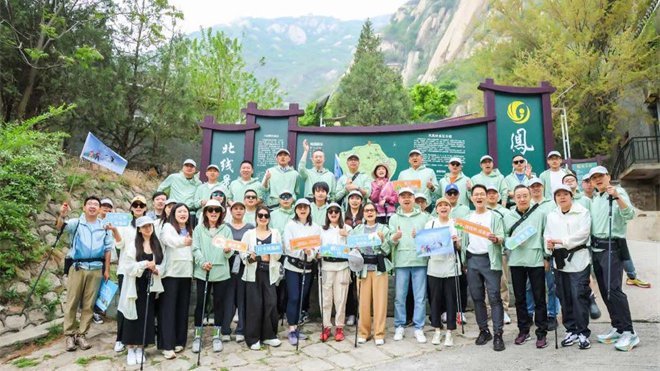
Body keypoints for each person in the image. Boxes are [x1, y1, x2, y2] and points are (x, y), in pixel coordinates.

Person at [588, 166, 640, 351]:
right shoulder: (596, 198)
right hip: (596, 249)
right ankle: (617, 327)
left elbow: (630, 214)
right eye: (594, 178)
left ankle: (629, 332)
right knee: (604, 290)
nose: (598, 180)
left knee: (614, 290)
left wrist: (617, 197)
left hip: (612, 248)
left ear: (608, 177)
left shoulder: (618, 193)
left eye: (600, 176)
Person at [56, 196, 115, 351]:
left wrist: (107, 270)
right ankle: (69, 335)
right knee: (72, 301)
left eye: (96, 204)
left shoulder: (104, 226)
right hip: (78, 266)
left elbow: (108, 249)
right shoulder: (76, 223)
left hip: (96, 267)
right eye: (90, 204)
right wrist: (62, 214)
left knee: (89, 304)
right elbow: (60, 227)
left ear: (99, 209)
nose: (93, 206)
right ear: (84, 207)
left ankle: (82, 334)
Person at [544, 185, 592, 350]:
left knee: (578, 296)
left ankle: (583, 332)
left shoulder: (582, 212)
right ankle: (571, 330)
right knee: (564, 297)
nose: (562, 197)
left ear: (571, 196)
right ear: (555, 198)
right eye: (558, 195)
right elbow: (547, 234)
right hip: (559, 262)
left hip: (579, 260)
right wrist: (548, 244)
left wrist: (560, 241)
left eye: (565, 194)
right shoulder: (552, 215)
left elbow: (583, 234)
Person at [503, 185, 549, 348]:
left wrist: (546, 257)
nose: (522, 199)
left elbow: (545, 235)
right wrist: (508, 242)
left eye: (524, 195)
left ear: (530, 196)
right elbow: (504, 238)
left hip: (535, 260)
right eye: (518, 196)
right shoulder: (508, 216)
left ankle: (542, 332)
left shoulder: (540, 214)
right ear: (514, 198)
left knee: (539, 298)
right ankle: (523, 330)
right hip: (516, 261)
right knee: (520, 298)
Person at [461, 184, 505, 351]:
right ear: (472, 198)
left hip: (490, 260)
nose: (479, 197)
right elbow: (462, 239)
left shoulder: (495, 216)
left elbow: (502, 237)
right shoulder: (467, 217)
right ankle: (483, 330)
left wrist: (496, 239)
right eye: (476, 194)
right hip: (472, 261)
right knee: (477, 297)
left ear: (487, 197)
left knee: (494, 297)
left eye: (482, 194)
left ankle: (498, 334)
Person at [117, 216, 164, 365]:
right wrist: (145, 264)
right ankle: (131, 348)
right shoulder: (133, 245)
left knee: (146, 316)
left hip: (150, 285)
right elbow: (128, 266)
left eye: (150, 226)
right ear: (139, 229)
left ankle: (141, 347)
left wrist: (157, 269)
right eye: (144, 226)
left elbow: (163, 263)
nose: (147, 229)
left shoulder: (157, 244)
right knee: (132, 316)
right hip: (135, 285)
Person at [190, 200, 234, 354]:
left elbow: (229, 253)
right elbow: (195, 248)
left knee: (219, 304)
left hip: (221, 272)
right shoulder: (198, 229)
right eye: (210, 210)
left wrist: (228, 250)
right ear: (205, 212)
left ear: (221, 213)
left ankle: (217, 336)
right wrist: (202, 262)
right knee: (201, 304)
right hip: (203, 271)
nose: (214, 213)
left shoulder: (226, 229)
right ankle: (197, 336)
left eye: (217, 210)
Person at [389, 187, 430, 343]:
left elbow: (431, 239)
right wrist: (395, 237)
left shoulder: (424, 217)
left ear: (414, 199)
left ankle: (419, 327)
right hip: (401, 261)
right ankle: (399, 325)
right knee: (400, 296)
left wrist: (419, 237)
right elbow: (389, 241)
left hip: (420, 260)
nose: (406, 199)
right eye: (403, 196)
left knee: (420, 297)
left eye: (409, 196)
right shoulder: (394, 218)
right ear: (399, 199)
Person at [241, 206, 283, 350]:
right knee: (254, 305)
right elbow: (243, 254)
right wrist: (252, 257)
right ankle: (253, 338)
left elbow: (279, 253)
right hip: (254, 273)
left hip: (269, 272)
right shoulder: (249, 234)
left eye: (266, 215)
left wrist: (270, 254)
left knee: (271, 302)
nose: (263, 218)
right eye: (260, 215)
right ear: (256, 217)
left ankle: (269, 335)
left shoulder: (275, 233)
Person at [283, 199, 322, 345]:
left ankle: (297, 326)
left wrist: (311, 253)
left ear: (309, 209)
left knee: (301, 298)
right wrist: (302, 251)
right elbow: (288, 246)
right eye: (299, 207)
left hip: (308, 266)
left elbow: (318, 245)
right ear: (295, 210)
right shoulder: (290, 225)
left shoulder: (316, 227)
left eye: (305, 207)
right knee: (293, 297)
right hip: (293, 266)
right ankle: (292, 329)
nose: (302, 210)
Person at [158, 203, 194, 359]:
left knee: (182, 309)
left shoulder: (191, 229)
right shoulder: (167, 227)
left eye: (185, 211)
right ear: (173, 213)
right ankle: (167, 345)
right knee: (168, 310)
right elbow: (169, 241)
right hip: (171, 274)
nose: (183, 214)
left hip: (186, 274)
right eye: (179, 211)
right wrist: (183, 242)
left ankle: (180, 341)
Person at [113, 196, 148, 353]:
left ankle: (139, 338)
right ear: (131, 208)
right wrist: (114, 231)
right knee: (124, 305)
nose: (138, 207)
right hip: (126, 271)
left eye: (141, 205)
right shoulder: (125, 226)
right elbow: (119, 244)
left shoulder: (148, 226)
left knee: (139, 307)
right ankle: (120, 338)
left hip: (143, 271)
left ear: (146, 208)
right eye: (135, 205)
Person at [353, 202, 391, 346]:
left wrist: (382, 241)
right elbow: (351, 247)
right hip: (363, 268)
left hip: (378, 267)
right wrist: (354, 248)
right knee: (363, 302)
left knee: (380, 302)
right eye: (367, 210)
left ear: (376, 212)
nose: (369, 213)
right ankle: (364, 332)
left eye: (372, 210)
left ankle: (379, 333)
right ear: (363, 213)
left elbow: (388, 250)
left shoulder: (383, 229)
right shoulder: (357, 230)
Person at [425, 197, 460, 346]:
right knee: (435, 300)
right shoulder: (430, 224)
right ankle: (437, 330)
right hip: (434, 267)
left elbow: (460, 247)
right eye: (440, 205)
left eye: (446, 205)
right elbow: (424, 246)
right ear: (437, 209)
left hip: (451, 267)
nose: (443, 207)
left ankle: (450, 332)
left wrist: (456, 241)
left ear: (450, 208)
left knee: (451, 300)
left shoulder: (455, 224)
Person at [526, 177, 559, 329]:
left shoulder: (552, 204)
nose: (536, 189)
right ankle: (529, 313)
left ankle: (552, 314)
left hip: (549, 251)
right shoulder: (526, 204)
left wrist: (547, 254)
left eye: (538, 186)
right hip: (531, 252)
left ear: (543, 187)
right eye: (533, 186)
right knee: (529, 286)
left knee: (551, 285)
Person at [318, 203, 352, 342]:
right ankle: (326, 326)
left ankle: (339, 326)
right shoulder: (321, 230)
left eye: (336, 211)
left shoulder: (347, 228)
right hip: (326, 266)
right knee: (325, 299)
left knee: (340, 298)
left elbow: (355, 248)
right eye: (330, 211)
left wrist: (347, 237)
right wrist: (317, 253)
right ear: (327, 214)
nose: (333, 214)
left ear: (340, 213)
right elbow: (316, 247)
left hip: (342, 266)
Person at [225, 200, 255, 343]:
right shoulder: (225, 227)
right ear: (230, 211)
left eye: (241, 209)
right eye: (235, 208)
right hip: (227, 265)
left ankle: (241, 329)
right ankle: (225, 329)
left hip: (244, 265)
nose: (238, 211)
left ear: (244, 211)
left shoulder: (250, 228)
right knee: (228, 298)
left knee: (242, 298)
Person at [485, 185, 511, 325]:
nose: (492, 195)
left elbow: (508, 232)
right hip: (485, 252)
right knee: (487, 283)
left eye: (494, 193)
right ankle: (490, 309)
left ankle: (504, 310)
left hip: (501, 251)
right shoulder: (481, 211)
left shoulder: (505, 212)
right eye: (488, 193)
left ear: (498, 196)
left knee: (502, 281)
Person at [93, 198, 115, 325]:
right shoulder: (93, 221)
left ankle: (97, 311)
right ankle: (89, 311)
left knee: (101, 285)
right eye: (104, 207)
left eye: (109, 208)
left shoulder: (112, 223)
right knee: (91, 287)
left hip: (104, 259)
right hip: (92, 259)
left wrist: (107, 268)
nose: (106, 209)